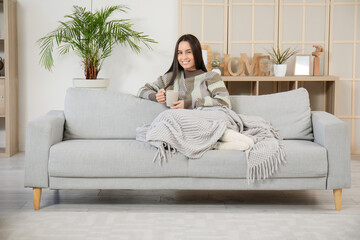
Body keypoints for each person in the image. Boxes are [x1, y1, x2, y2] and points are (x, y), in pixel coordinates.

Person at [138, 34, 253, 150]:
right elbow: (142, 91)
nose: (184, 57)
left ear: (196, 53)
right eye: (180, 53)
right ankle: (217, 144)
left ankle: (223, 136)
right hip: (185, 125)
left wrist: (189, 104)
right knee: (168, 121)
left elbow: (224, 102)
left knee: (174, 117)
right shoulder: (169, 78)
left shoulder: (211, 77)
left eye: (188, 52)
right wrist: (155, 96)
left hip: (210, 118)